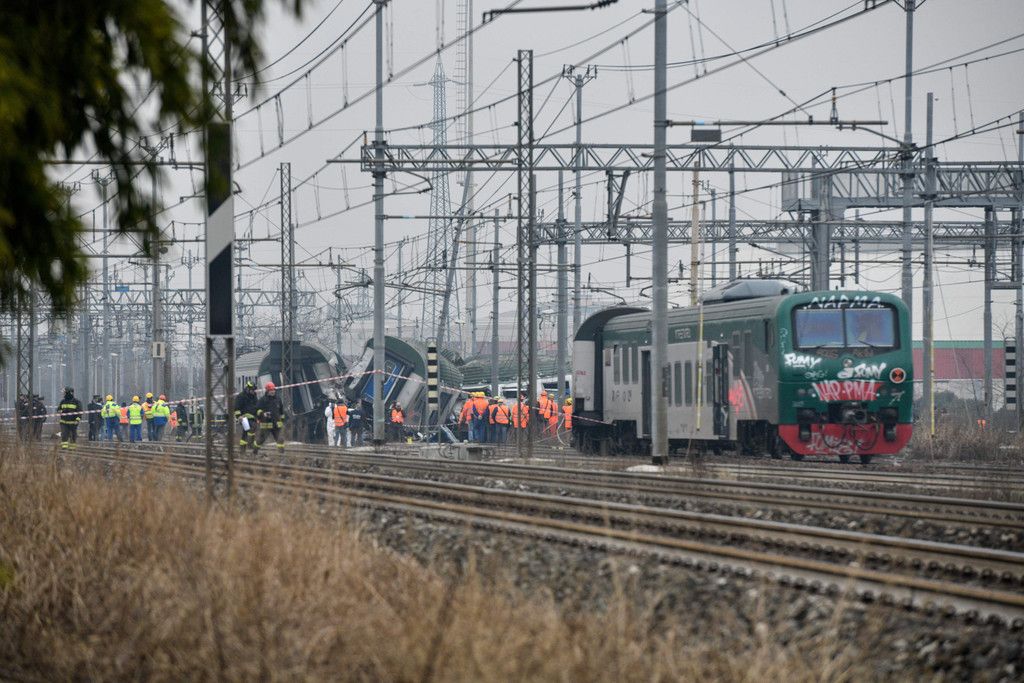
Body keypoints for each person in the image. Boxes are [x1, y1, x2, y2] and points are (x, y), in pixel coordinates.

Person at [254, 382, 287, 454]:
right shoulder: (262, 400)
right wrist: (263, 413)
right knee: (261, 440)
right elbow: (256, 410)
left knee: (280, 440)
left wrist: (282, 420)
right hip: (266, 424)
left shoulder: (278, 399)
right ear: (267, 391)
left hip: (276, 424)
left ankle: (281, 454)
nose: (272, 391)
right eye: (271, 390)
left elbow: (281, 411)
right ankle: (255, 451)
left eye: (273, 390)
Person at [234, 381, 259, 453]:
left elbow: (257, 406)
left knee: (246, 432)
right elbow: (236, 408)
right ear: (248, 389)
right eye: (252, 390)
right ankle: (249, 444)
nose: (253, 391)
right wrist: (239, 416)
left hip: (252, 417)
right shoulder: (241, 396)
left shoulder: (254, 396)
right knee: (251, 427)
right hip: (243, 417)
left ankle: (243, 448)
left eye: (254, 390)